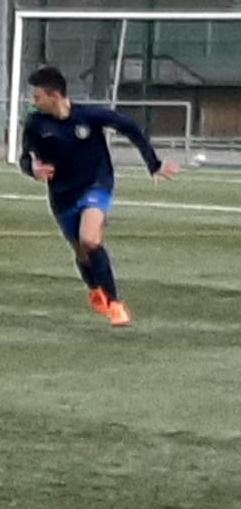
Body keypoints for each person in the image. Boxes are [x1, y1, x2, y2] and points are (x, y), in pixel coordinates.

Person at [19, 65, 177, 327]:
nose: (34, 102)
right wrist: (33, 170)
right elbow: (25, 158)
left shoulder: (88, 116)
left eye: (38, 97)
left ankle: (116, 304)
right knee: (82, 253)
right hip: (62, 196)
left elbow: (128, 126)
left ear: (54, 95)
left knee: (90, 240)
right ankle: (95, 288)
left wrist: (153, 163)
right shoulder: (36, 123)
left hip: (97, 184)